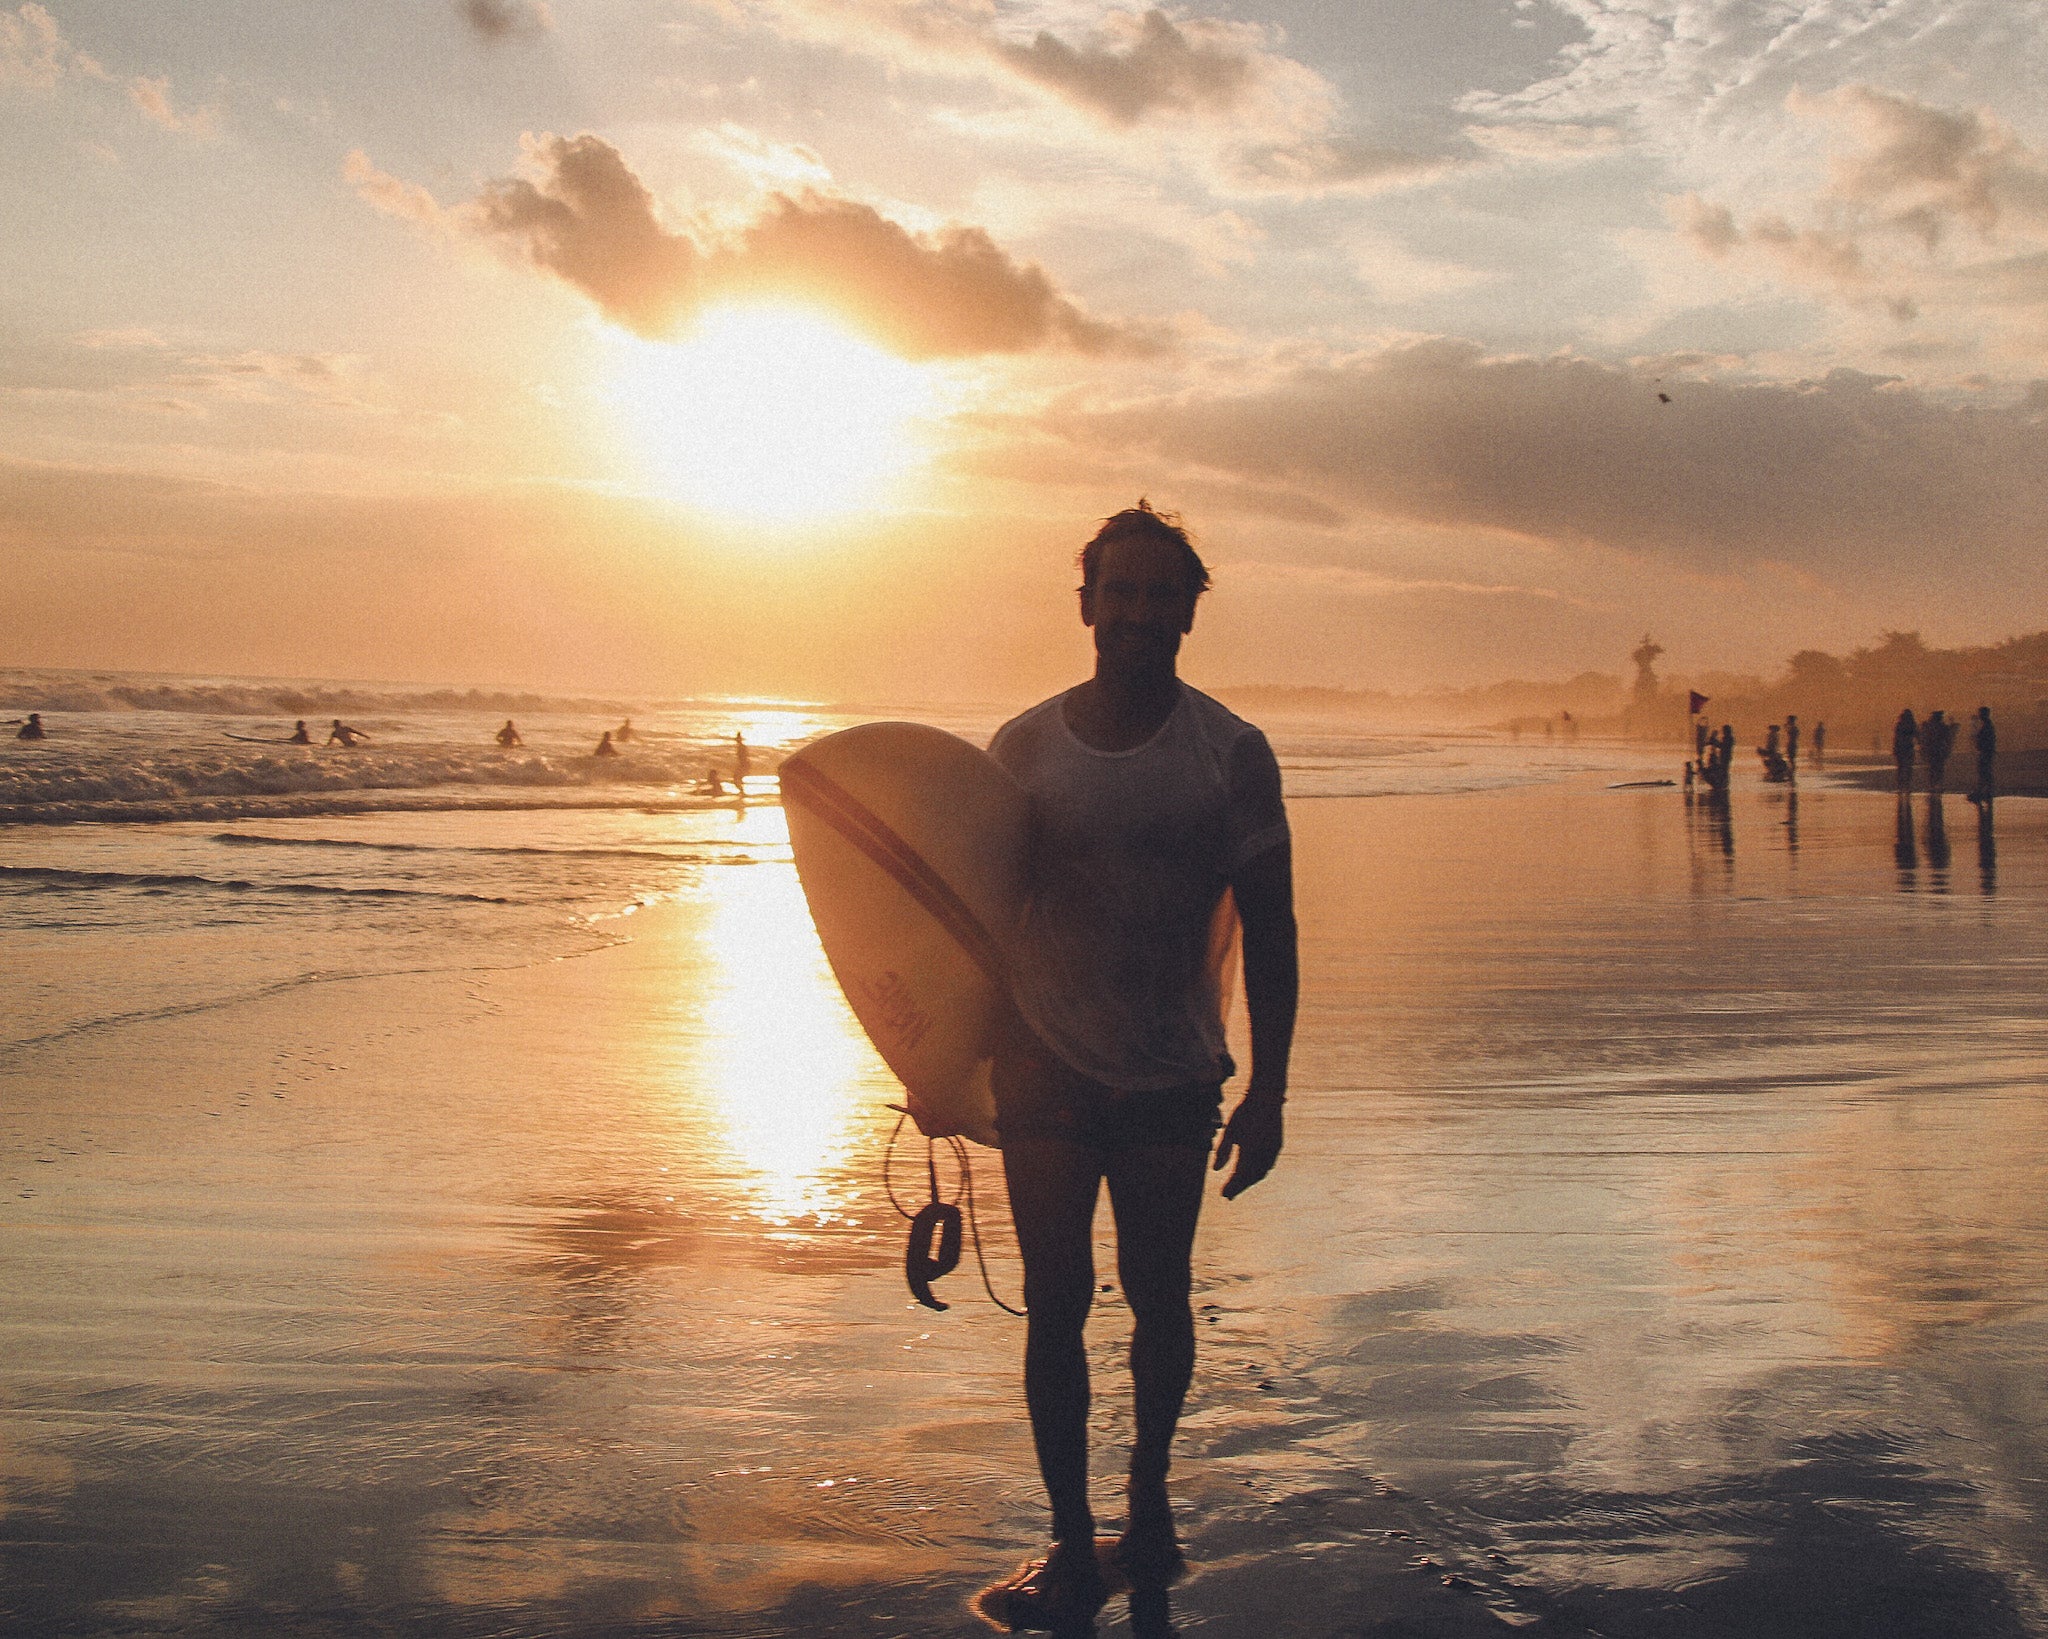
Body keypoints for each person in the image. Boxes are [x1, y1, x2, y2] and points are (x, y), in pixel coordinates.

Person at [970, 503, 1296, 1632]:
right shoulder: (1022, 748)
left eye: (1163, 594)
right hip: (1042, 1063)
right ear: (1086, 604)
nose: (1140, 612)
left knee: (1158, 1295)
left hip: (1168, 1070)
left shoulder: (1229, 751)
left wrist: (1269, 1087)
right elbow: (971, 917)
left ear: (1190, 610)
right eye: (1122, 590)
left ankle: (1147, 1505)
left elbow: (1274, 924)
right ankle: (1068, 1536)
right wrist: (936, 1062)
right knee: (1054, 1303)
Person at [1923, 709, 1956, 794]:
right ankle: (1938, 785)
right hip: (1939, 750)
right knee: (1939, 768)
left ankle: (1933, 785)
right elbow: (1948, 737)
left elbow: (1926, 739)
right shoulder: (1942, 726)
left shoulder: (1931, 726)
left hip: (1933, 751)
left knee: (1933, 768)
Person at [1968, 707, 1996, 806]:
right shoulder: (1988, 725)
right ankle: (1985, 792)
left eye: (1980, 714)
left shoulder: (1987, 726)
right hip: (1986, 752)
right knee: (1985, 772)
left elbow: (1981, 739)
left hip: (1985, 753)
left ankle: (1982, 792)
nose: (1979, 716)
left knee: (1983, 772)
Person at [1892, 709, 1919, 791]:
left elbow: (1896, 738)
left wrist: (1895, 748)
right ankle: (1907, 786)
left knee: (1901, 768)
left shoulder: (1899, 724)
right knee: (1908, 768)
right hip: (1908, 748)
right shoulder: (1912, 724)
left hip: (1900, 749)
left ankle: (1900, 786)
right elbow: (1917, 735)